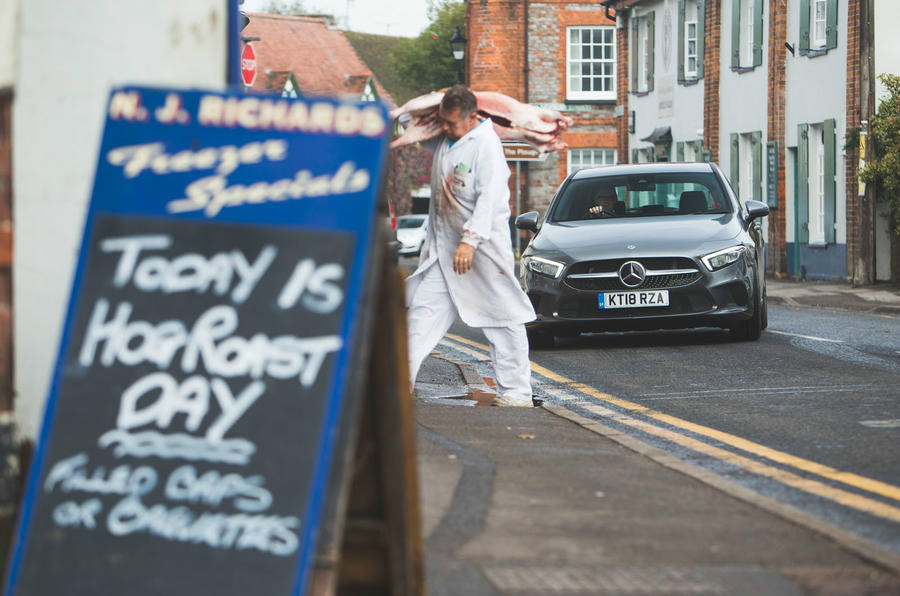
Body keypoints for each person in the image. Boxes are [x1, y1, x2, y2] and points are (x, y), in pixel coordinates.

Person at [404, 85, 536, 407]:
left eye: (451, 122)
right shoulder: (446, 141)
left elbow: (488, 200)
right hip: (445, 252)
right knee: (421, 317)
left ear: (472, 116)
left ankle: (516, 393)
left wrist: (470, 241)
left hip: (482, 252)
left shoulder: (486, 146)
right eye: (443, 121)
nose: (445, 128)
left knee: (502, 319)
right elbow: (409, 117)